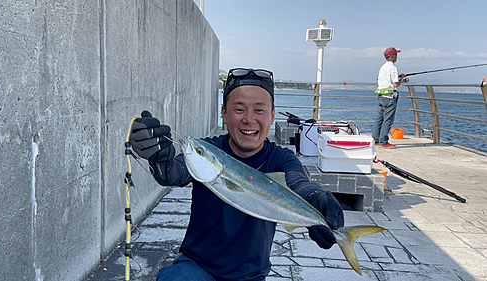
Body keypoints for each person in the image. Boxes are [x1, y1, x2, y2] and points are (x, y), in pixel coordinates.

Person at [129, 68, 344, 281]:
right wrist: (159, 158)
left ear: (272, 116)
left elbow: (298, 183)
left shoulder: (281, 159)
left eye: (259, 111)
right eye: (239, 110)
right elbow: (174, 173)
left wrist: (316, 198)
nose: (249, 119)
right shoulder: (209, 149)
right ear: (224, 113)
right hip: (196, 268)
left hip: (251, 276)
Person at [372, 47, 406, 149]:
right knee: (388, 120)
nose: (397, 57)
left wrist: (399, 77)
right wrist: (402, 81)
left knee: (379, 119)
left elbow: (386, 80)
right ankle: (384, 142)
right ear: (391, 56)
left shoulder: (383, 67)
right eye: (396, 54)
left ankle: (376, 139)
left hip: (381, 95)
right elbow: (395, 84)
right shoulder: (393, 68)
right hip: (390, 97)